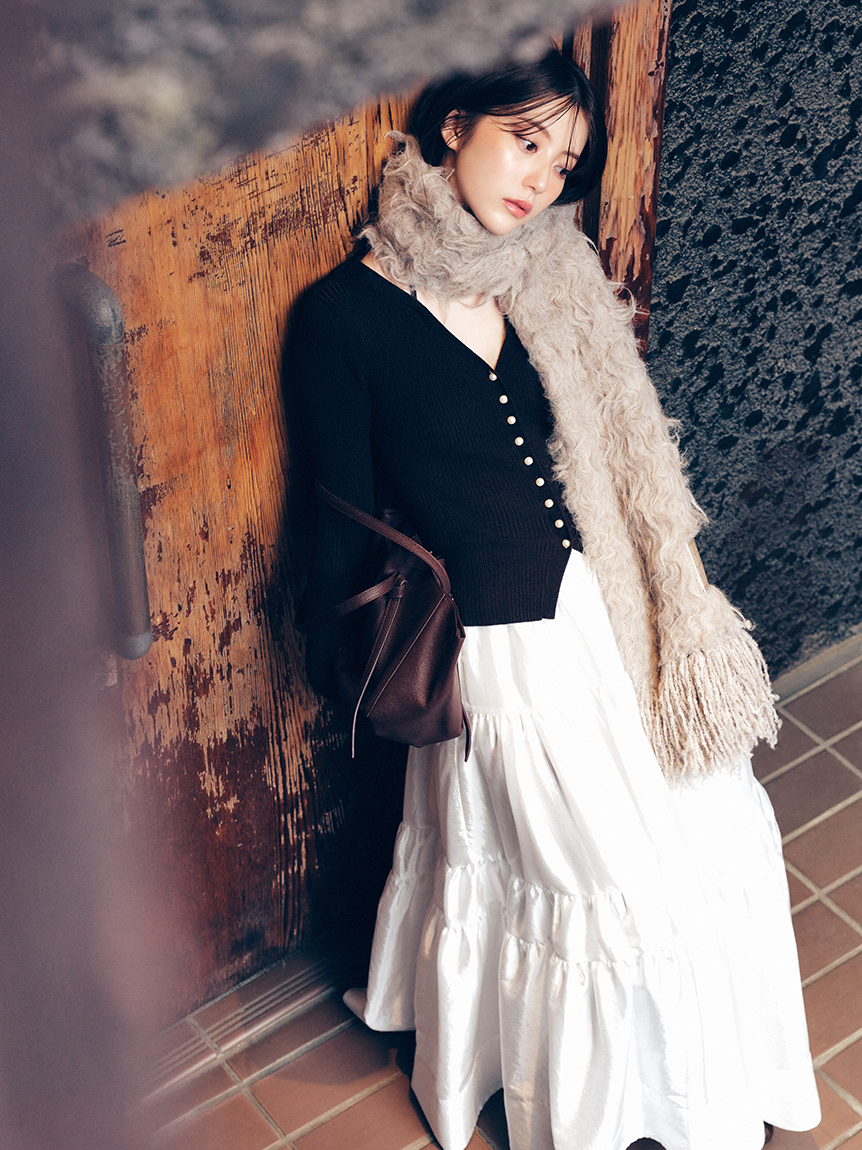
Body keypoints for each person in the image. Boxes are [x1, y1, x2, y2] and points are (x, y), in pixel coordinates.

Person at [292, 47, 820, 1150]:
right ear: (455, 127)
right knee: (600, 881)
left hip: (611, 611)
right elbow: (340, 516)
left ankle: (697, 1089)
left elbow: (612, 455)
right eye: (524, 140)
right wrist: (351, 665)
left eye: (563, 161)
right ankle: (597, 1112)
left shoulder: (548, 269)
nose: (540, 179)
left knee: (706, 833)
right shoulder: (343, 317)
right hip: (500, 648)